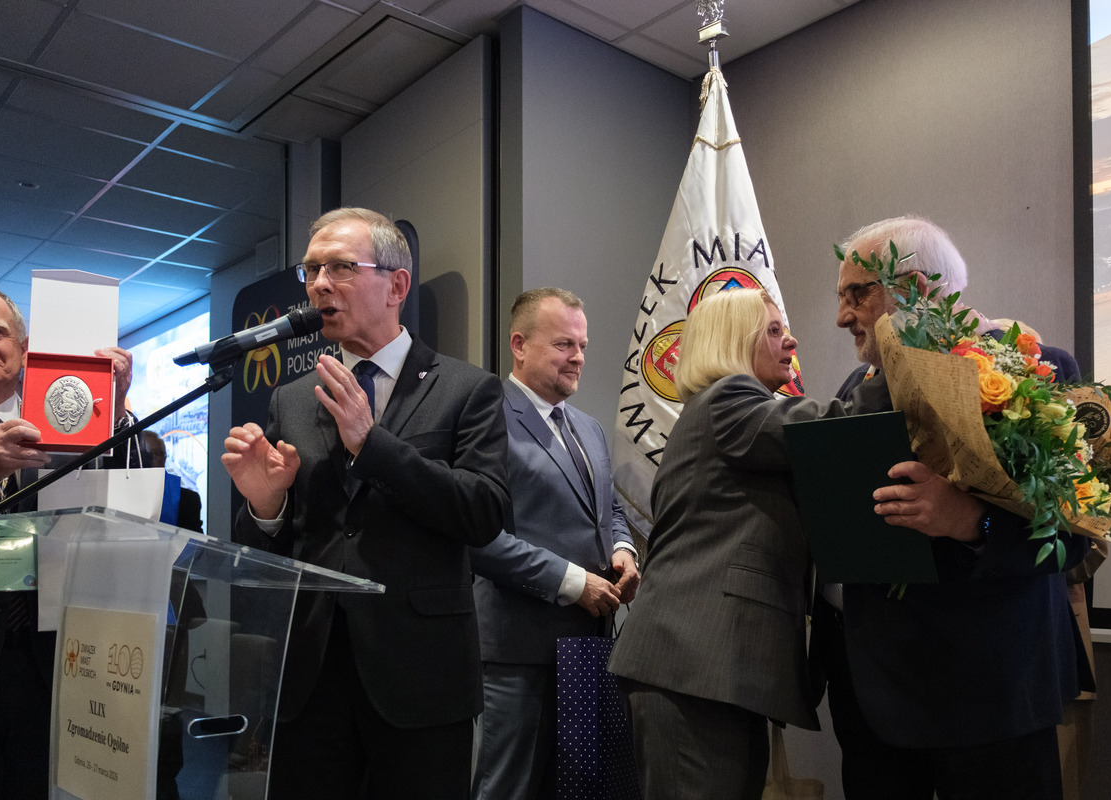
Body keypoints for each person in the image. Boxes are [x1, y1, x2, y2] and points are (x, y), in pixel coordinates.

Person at [222, 207, 510, 800]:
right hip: (311, 678)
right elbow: (276, 546)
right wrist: (265, 507)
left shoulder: (467, 389)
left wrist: (371, 444)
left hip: (421, 677)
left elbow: (484, 512)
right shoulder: (292, 399)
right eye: (311, 270)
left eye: (341, 268)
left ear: (396, 285)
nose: (319, 284)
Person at [818, 215, 1093, 799]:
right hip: (877, 708)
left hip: (995, 703)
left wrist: (973, 522)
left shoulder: (1038, 372)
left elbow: (1074, 537)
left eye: (857, 294)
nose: (842, 316)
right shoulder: (854, 390)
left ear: (918, 288)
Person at [607, 288, 891, 800]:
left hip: (712, 672)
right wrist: (901, 361)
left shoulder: (726, 408)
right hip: (693, 667)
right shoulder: (727, 398)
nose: (792, 342)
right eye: (775, 331)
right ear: (735, 339)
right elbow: (827, 428)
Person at [469, 288, 640, 800]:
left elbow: (608, 509)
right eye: (564, 344)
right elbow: (477, 535)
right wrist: (571, 582)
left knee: (581, 791)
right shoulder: (485, 419)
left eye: (582, 345)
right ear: (519, 345)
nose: (579, 357)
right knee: (509, 789)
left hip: (588, 647)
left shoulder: (587, 427)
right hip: (517, 652)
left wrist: (624, 551)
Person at [0, 283, 136, 799]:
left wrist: (115, 414)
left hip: (54, 659)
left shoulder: (66, 411)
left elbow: (127, 507)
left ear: (25, 349)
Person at [141, 430, 203, 533]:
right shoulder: (118, 494)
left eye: (153, 454)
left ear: (163, 459)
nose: (148, 460)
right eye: (144, 455)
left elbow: (195, 541)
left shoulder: (187, 501)